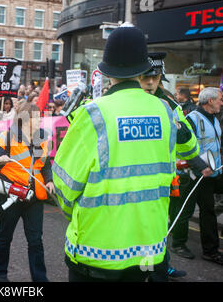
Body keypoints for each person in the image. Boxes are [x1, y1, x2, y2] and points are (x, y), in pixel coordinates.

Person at [52, 25, 190, 282]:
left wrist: (74, 213)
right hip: (148, 247)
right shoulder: (166, 111)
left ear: (107, 72)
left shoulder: (93, 114)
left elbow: (64, 184)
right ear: (141, 70)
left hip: (97, 250)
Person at [139, 52, 209, 280]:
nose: (150, 82)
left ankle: (158, 269)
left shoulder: (169, 103)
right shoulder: (127, 102)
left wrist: (198, 163)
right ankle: (147, 271)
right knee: (141, 234)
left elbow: (186, 139)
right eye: (145, 77)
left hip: (161, 181)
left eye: (156, 77)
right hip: (131, 180)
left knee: (157, 231)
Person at [0, 101, 54, 282]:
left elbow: (45, 164)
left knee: (35, 241)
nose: (39, 120)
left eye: (39, 117)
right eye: (35, 117)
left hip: (34, 198)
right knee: (4, 236)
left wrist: (49, 180)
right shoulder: (7, 136)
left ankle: (40, 279)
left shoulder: (42, 137)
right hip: (10, 194)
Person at [169, 87, 223, 266]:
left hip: (209, 174)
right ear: (210, 101)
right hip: (191, 175)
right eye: (220, 99)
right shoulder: (192, 119)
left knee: (208, 212)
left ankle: (211, 251)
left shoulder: (214, 118)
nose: (221, 103)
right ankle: (178, 244)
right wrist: (199, 166)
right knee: (185, 211)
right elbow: (184, 148)